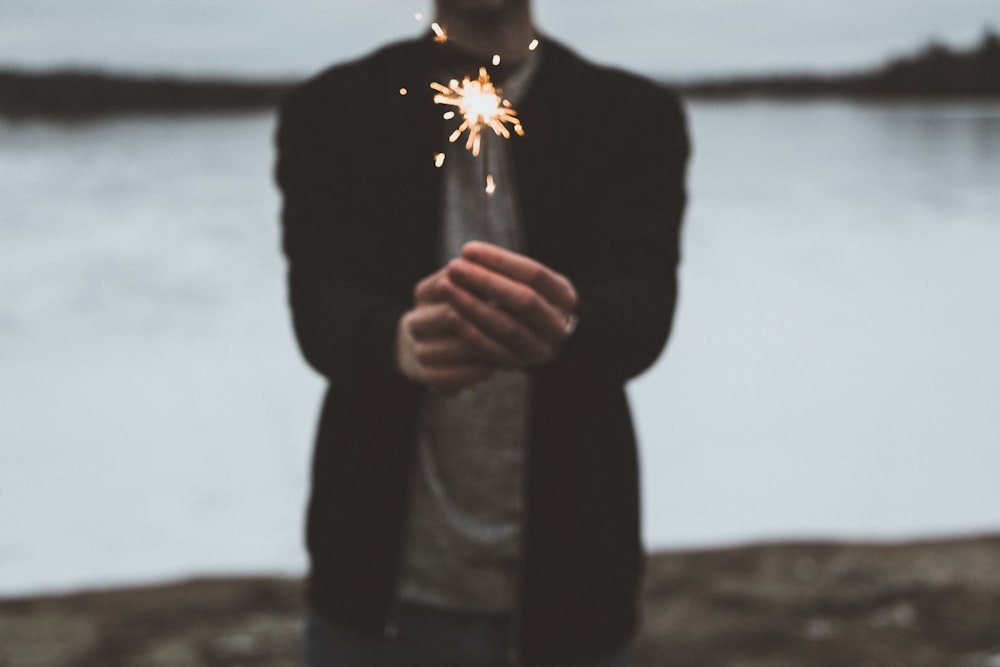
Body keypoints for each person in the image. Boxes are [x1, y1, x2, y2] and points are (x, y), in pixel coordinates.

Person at [274, 0, 689, 664]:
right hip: (372, 594)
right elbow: (321, 307)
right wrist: (396, 342)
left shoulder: (631, 116)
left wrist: (567, 327)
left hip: (576, 586)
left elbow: (642, 311)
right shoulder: (332, 110)